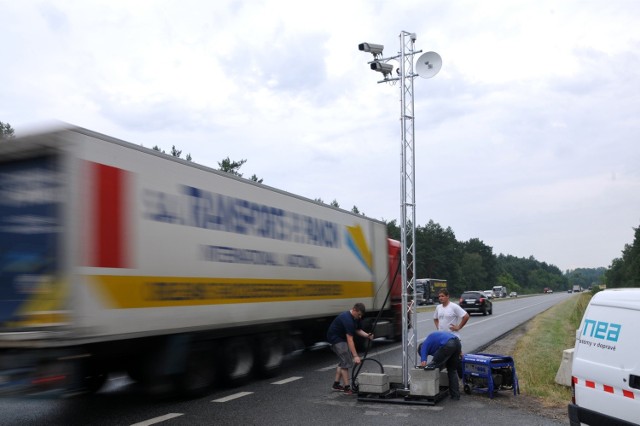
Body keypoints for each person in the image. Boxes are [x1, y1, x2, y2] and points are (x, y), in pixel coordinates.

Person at [326, 302, 374, 394]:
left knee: (344, 361)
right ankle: (347, 388)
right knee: (346, 362)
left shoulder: (356, 318)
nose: (360, 317)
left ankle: (336, 385)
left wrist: (367, 335)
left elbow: (358, 329)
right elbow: (350, 339)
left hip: (341, 338)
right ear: (354, 310)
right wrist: (355, 356)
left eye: (361, 315)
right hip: (335, 339)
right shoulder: (347, 319)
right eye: (359, 314)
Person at [419, 330, 462, 400]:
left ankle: (428, 393)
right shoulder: (433, 343)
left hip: (448, 344)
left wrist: (424, 364)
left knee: (432, 367)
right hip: (457, 343)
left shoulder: (423, 345)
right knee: (452, 370)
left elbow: (424, 362)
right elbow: (441, 356)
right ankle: (455, 396)